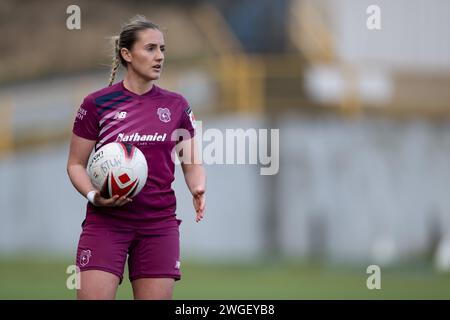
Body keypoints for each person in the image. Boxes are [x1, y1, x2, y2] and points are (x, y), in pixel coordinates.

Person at [66, 15, 206, 300]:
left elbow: (191, 163)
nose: (159, 57)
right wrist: (95, 196)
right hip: (106, 223)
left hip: (158, 225)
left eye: (162, 49)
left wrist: (197, 187)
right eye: (150, 49)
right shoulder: (98, 104)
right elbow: (75, 164)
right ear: (127, 54)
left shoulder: (176, 105)